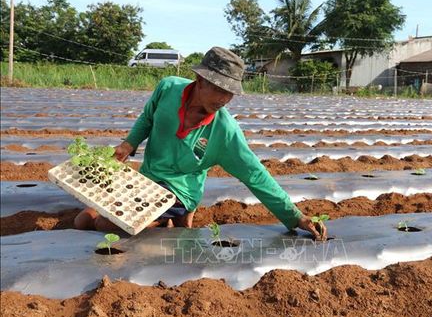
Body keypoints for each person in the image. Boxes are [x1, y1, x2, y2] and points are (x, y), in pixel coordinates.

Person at [74, 46, 328, 240]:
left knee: (105, 225)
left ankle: (167, 220)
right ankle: (161, 221)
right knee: (83, 220)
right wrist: (129, 144)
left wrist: (296, 217)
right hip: (147, 180)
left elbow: (255, 175)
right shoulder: (168, 88)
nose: (225, 98)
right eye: (220, 89)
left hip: (179, 192)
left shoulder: (225, 132)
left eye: (231, 92)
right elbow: (148, 117)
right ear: (201, 81)